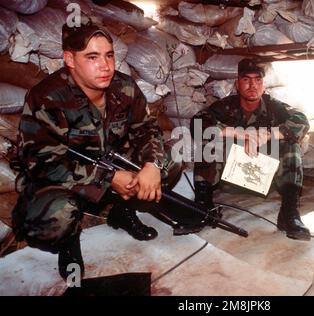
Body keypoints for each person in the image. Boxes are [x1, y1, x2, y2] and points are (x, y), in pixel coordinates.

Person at [10, 18, 188, 281]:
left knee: (169, 163)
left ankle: (122, 212)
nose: (105, 66)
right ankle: (69, 242)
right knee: (56, 218)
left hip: (115, 169)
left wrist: (151, 165)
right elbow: (45, 164)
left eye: (109, 55)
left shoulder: (124, 86)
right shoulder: (47, 97)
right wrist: (109, 179)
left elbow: (146, 129)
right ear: (69, 60)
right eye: (92, 57)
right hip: (64, 181)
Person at [190, 58, 311, 240]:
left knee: (291, 143)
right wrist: (239, 134)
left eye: (257, 80)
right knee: (209, 140)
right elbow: (197, 123)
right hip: (229, 180)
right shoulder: (225, 106)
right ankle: (202, 207)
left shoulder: (273, 107)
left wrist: (266, 135)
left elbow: (302, 121)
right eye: (246, 80)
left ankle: (289, 213)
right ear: (237, 84)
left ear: (263, 84)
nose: (252, 85)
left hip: (265, 181)